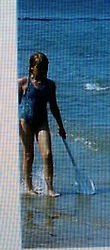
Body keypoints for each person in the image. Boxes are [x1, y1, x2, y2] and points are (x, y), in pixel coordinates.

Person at [18, 52, 66, 197]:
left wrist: (61, 126)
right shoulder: (23, 83)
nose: (44, 71)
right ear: (32, 68)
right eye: (40, 68)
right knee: (28, 155)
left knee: (47, 154)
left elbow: (54, 106)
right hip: (25, 121)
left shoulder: (50, 85)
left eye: (45, 68)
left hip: (41, 122)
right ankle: (29, 187)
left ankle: (50, 188)